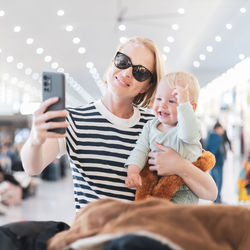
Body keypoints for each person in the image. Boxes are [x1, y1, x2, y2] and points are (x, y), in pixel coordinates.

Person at [20, 37, 217, 213]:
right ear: (112, 63)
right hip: (91, 238)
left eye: (140, 72)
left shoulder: (156, 125)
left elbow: (210, 190)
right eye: (123, 61)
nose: (127, 72)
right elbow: (32, 168)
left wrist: (180, 165)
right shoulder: (73, 119)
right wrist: (36, 140)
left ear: (147, 85)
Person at [125, 72, 203, 204]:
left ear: (191, 108)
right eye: (159, 99)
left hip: (184, 189)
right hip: (158, 185)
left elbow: (189, 135)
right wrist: (133, 171)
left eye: (173, 101)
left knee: (172, 220)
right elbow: (140, 150)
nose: (163, 105)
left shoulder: (187, 127)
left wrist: (184, 105)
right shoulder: (150, 127)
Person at [205, 121, 224, 203]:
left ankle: (215, 197)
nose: (222, 130)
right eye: (221, 128)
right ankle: (218, 198)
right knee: (219, 180)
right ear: (217, 128)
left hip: (212, 162)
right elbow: (214, 150)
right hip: (218, 162)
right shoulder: (217, 137)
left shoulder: (210, 135)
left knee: (214, 180)